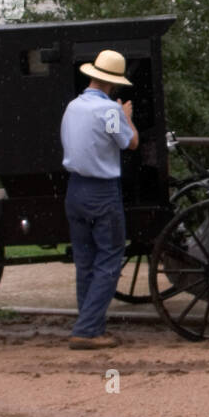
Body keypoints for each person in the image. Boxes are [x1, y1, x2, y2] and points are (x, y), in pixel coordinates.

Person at [60, 49, 138, 349]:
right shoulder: (108, 112)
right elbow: (129, 143)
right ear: (112, 84)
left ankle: (89, 324)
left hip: (75, 189)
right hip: (101, 192)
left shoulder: (73, 107)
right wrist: (127, 117)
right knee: (109, 258)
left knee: (85, 261)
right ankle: (88, 330)